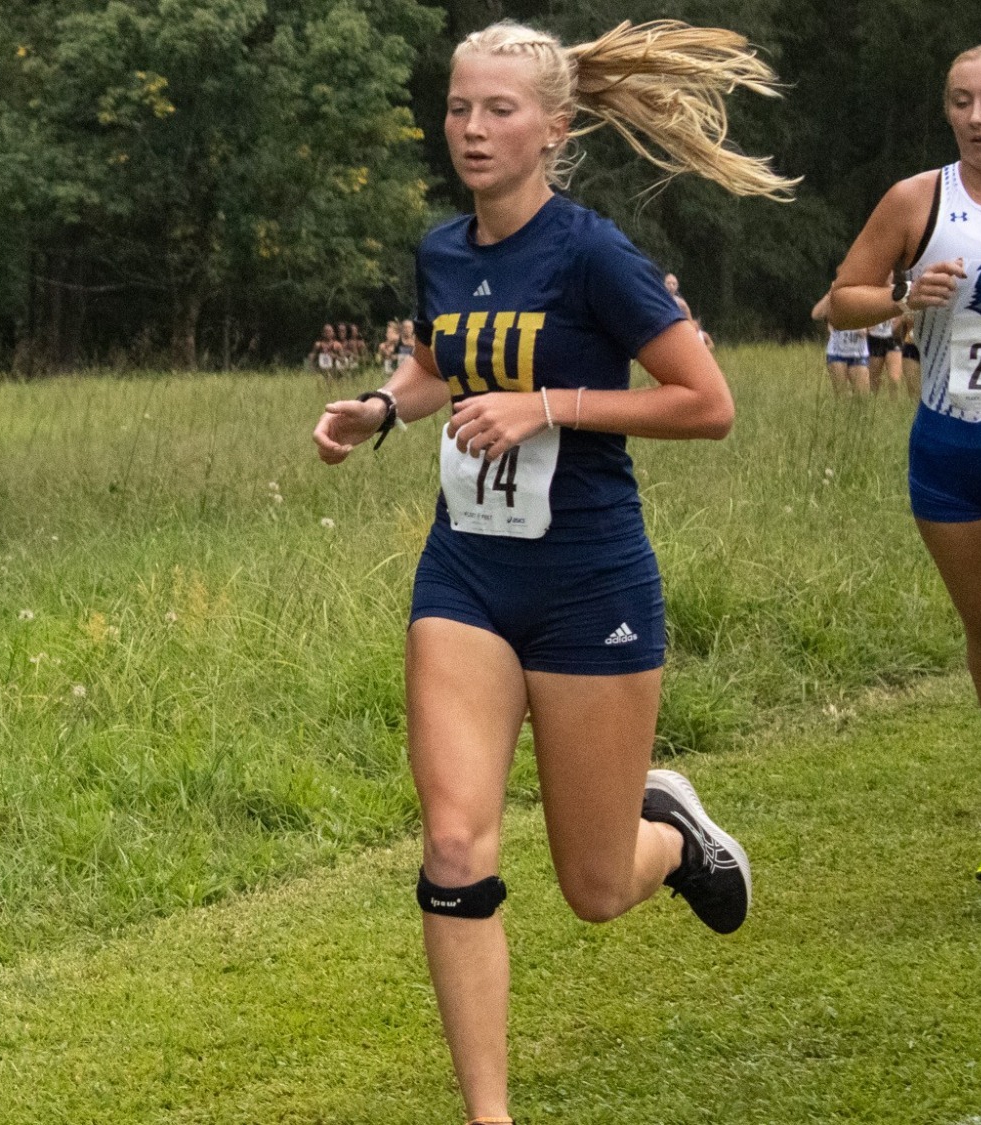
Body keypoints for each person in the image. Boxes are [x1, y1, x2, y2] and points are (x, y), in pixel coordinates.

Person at [312, 19, 791, 1124]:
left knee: (590, 888)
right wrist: (384, 404)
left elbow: (704, 404)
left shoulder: (592, 254)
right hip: (466, 579)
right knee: (451, 839)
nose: (471, 130)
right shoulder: (442, 250)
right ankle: (489, 1116)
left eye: (498, 110)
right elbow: (443, 351)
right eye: (457, 108)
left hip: (588, 585)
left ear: (552, 129)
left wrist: (549, 407)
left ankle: (664, 834)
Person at [825, 43, 981, 892]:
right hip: (947, 446)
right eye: (961, 101)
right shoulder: (921, 199)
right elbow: (843, 295)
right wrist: (903, 295)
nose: (977, 116)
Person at [812, 293, 871, 395]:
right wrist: (829, 294)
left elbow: (874, 324)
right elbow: (816, 314)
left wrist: (865, 328)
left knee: (862, 396)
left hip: (858, 354)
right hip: (836, 353)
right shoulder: (835, 300)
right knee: (841, 395)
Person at [664, 273, 715, 350]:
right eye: (668, 283)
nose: (671, 286)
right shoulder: (657, 300)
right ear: (663, 285)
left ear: (677, 287)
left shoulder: (681, 304)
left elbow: (690, 322)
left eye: (674, 284)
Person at [868, 313, 904, 395]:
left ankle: (894, 405)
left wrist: (897, 323)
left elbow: (902, 309)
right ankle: (873, 402)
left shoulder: (893, 300)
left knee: (895, 379)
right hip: (875, 339)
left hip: (892, 338)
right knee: (874, 379)